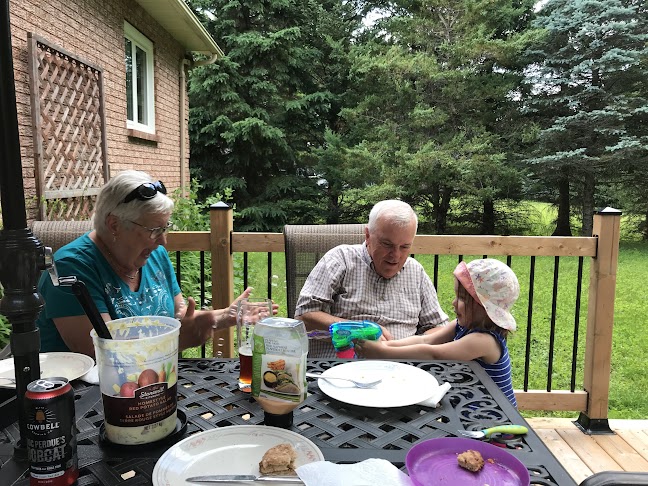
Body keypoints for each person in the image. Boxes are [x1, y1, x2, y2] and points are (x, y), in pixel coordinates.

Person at [36, 170, 275, 358]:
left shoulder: (153, 255)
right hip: (83, 396)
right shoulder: (71, 269)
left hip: (152, 385)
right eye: (153, 230)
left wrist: (223, 316)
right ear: (114, 225)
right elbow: (104, 354)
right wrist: (177, 341)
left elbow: (178, 314)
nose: (163, 242)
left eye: (164, 228)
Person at [354, 258, 520, 407]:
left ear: (483, 307)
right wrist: (387, 345)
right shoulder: (462, 326)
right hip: (466, 410)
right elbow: (426, 340)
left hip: (493, 420)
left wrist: (383, 353)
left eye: (462, 298)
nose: (453, 302)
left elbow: (434, 354)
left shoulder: (483, 341)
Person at [295, 199, 449, 358]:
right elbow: (304, 317)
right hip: (341, 366)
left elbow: (439, 328)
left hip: (401, 367)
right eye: (387, 244)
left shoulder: (416, 272)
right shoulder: (341, 260)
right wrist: (357, 330)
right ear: (368, 235)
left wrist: (405, 348)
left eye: (404, 247)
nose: (396, 255)